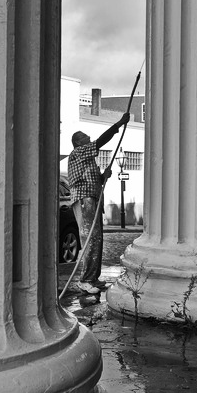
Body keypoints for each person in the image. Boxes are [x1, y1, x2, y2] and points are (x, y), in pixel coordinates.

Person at [67, 112, 131, 294]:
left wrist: (103, 177)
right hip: (84, 200)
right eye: (85, 137)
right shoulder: (79, 152)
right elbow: (101, 141)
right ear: (79, 142)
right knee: (90, 239)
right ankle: (85, 280)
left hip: (93, 199)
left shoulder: (87, 159)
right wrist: (118, 124)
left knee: (97, 239)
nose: (89, 138)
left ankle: (93, 278)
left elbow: (93, 181)